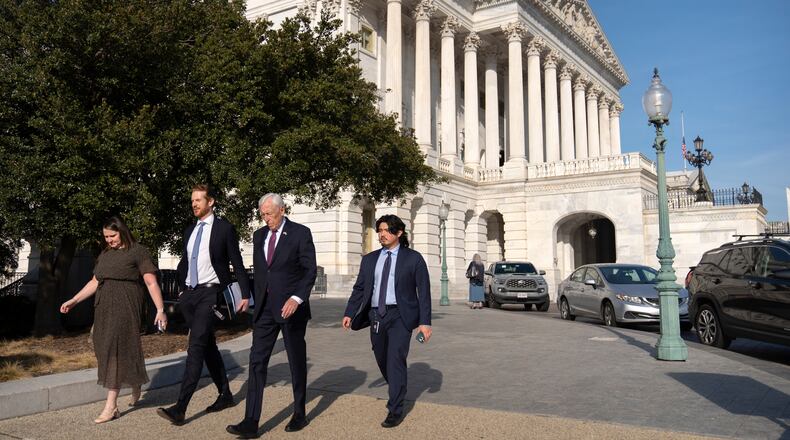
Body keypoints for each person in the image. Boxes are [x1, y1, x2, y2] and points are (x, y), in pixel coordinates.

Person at [157, 184, 251, 426]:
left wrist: (245, 295)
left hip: (211, 295)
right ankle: (226, 395)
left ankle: (180, 408)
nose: (194, 204)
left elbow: (236, 263)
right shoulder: (190, 231)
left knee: (196, 346)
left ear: (211, 202)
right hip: (189, 296)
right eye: (192, 201)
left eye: (199, 200)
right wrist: (181, 288)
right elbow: (185, 261)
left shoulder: (224, 228)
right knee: (208, 346)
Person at [60, 216, 167, 424]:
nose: (109, 240)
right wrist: (74, 300)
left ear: (122, 231)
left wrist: (161, 309)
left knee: (115, 350)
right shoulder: (105, 254)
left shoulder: (138, 251)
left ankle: (111, 406)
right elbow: (94, 281)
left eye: (112, 235)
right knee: (103, 347)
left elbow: (151, 282)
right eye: (106, 237)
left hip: (126, 305)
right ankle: (135, 381)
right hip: (103, 307)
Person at [227, 193, 317, 438]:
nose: (266, 219)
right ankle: (251, 421)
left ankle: (299, 413)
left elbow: (309, 271)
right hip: (265, 310)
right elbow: (262, 272)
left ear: (282, 210)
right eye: (262, 214)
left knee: (296, 362)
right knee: (257, 362)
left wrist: (296, 298)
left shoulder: (300, 233)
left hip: (291, 309)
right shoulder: (259, 236)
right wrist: (247, 296)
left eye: (269, 213)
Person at [342, 214, 432, 428]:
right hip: (376, 315)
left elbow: (424, 292)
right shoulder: (370, 259)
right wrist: (349, 312)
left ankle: (395, 408)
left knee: (395, 359)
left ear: (398, 233)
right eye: (379, 230)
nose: (381, 234)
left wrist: (425, 322)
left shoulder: (414, 258)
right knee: (382, 358)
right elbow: (360, 288)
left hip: (401, 316)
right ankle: (397, 385)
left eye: (386, 230)